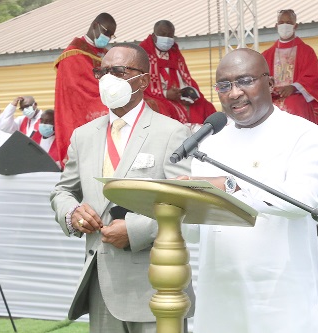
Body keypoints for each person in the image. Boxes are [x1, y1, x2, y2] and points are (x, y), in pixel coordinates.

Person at [50, 43, 195, 333]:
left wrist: (135, 230)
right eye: (102, 72)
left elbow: (185, 202)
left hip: (154, 283)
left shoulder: (171, 132)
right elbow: (62, 191)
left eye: (117, 71)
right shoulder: (83, 135)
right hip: (101, 283)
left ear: (143, 80)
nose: (107, 79)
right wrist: (72, 213)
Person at [188, 48, 318, 333]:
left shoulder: (303, 134)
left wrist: (231, 185)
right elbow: (195, 230)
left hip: (278, 289)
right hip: (219, 288)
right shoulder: (208, 143)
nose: (234, 93)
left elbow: (300, 202)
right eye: (224, 85)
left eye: (245, 81)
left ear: (270, 83)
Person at [53, 13, 116, 164]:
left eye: (110, 35)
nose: (107, 38)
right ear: (95, 26)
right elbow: (81, 89)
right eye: (106, 32)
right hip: (82, 107)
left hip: (107, 95)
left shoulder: (106, 54)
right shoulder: (72, 55)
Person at [139, 20, 216, 125]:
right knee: (165, 108)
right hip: (155, 95)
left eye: (170, 36)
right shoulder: (143, 52)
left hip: (177, 95)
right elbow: (141, 81)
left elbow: (185, 78)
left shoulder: (174, 52)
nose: (167, 39)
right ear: (154, 36)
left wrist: (186, 95)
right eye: (163, 35)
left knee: (205, 106)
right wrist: (165, 94)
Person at [262, 9, 318, 124]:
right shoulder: (267, 54)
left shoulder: (306, 51)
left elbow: (313, 77)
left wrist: (294, 87)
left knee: (294, 104)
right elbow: (260, 78)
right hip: (273, 98)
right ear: (276, 25)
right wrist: (270, 88)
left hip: (296, 97)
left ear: (296, 26)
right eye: (281, 22)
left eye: (289, 23)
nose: (285, 26)